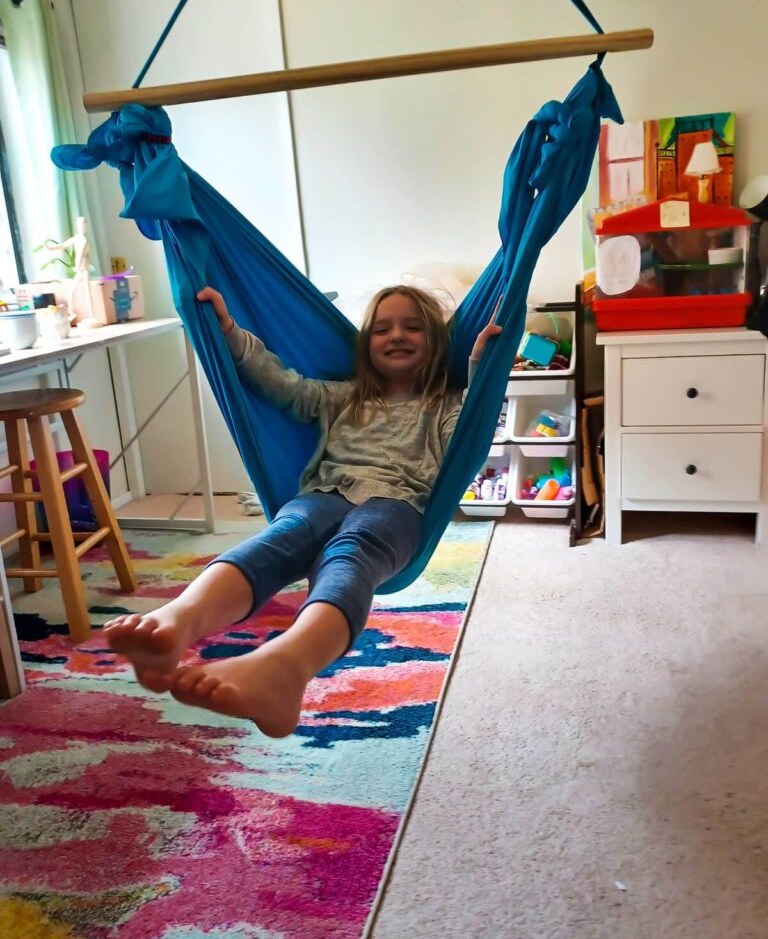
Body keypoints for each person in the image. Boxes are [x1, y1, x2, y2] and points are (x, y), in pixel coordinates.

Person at [104, 284, 501, 737]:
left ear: (436, 344)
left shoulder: (444, 407)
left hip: (397, 505)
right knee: (280, 536)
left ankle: (286, 666)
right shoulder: (343, 397)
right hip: (325, 493)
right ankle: (174, 624)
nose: (397, 335)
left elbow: (470, 430)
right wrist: (230, 332)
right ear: (364, 344)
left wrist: (479, 367)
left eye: (413, 328)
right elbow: (282, 384)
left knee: (352, 554)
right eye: (382, 328)